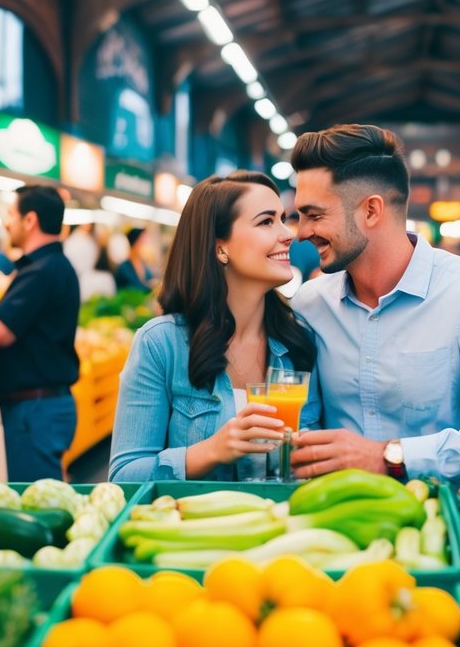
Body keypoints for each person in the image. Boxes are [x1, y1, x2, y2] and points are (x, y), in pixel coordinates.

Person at [288, 124, 460, 485]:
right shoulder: (310, 305)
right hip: (335, 523)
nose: (301, 232)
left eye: (315, 215)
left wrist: (390, 457)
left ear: (370, 211)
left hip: (447, 521)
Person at [110, 172, 319, 481]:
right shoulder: (161, 344)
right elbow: (123, 476)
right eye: (266, 222)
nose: (288, 234)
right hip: (193, 526)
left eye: (282, 219)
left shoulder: (299, 342)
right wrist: (211, 451)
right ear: (221, 247)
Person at [0, 186, 81, 481]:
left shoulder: (41, 270)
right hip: (42, 407)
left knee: (35, 503)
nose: (6, 224)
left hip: (35, 411)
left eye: (11, 215)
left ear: (30, 220)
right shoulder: (52, 266)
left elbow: (2, 332)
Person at [115, 227, 155, 292]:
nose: (146, 245)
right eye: (143, 241)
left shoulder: (146, 267)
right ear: (134, 243)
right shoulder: (123, 268)